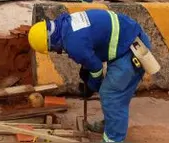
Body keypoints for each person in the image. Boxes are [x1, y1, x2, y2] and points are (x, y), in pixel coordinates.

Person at [28, 9, 152, 143]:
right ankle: (112, 125)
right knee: (117, 96)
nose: (55, 51)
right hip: (127, 42)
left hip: (131, 50)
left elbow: (97, 68)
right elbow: (90, 43)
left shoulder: (73, 43)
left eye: (51, 49)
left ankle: (113, 139)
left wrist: (91, 85)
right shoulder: (66, 24)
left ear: (50, 43)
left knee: (111, 94)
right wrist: (86, 68)